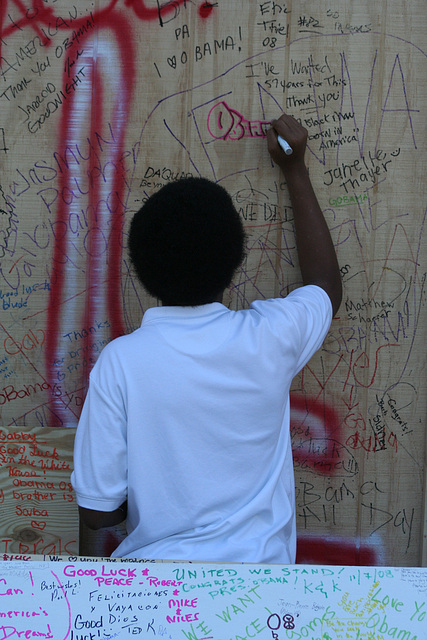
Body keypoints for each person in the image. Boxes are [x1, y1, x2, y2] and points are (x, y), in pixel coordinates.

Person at [71, 113, 342, 563]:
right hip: (260, 602)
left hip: (153, 602)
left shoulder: (121, 362)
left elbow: (98, 513)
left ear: (141, 270)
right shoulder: (269, 339)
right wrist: (295, 169)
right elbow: (324, 287)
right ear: (235, 262)